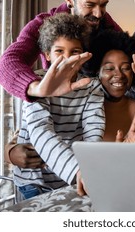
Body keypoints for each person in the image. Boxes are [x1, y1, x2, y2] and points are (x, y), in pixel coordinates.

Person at [0, 0, 122, 102]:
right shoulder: (43, 24)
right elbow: (6, 64)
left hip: (96, 109)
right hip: (57, 108)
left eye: (103, 5)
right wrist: (37, 88)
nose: (98, 13)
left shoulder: (108, 25)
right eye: (90, 5)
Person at [12, 13, 105, 200]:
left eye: (75, 52)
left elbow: (93, 132)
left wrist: (87, 169)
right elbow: (41, 131)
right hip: (34, 180)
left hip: (75, 176)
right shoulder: (37, 85)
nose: (67, 59)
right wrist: (77, 170)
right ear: (47, 54)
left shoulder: (91, 86)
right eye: (59, 51)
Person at [84, 30, 135, 141]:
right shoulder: (86, 108)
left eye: (125, 68)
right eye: (109, 68)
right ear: (97, 72)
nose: (119, 75)